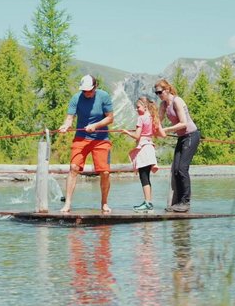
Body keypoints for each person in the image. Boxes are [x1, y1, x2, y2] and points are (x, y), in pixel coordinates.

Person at [58, 75, 114, 213]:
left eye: (89, 90)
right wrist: (65, 126)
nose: (86, 93)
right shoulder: (76, 98)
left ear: (95, 87)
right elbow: (70, 118)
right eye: (84, 91)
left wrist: (95, 125)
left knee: (105, 172)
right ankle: (68, 204)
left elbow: (110, 118)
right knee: (73, 167)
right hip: (81, 138)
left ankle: (104, 203)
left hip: (101, 139)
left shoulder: (104, 96)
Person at [155, 79, 200, 213]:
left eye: (160, 92)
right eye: (156, 93)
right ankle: (177, 202)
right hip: (182, 138)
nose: (158, 95)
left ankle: (185, 202)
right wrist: (149, 129)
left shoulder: (177, 101)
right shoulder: (163, 105)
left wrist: (166, 130)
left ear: (167, 90)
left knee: (182, 168)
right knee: (175, 170)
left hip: (191, 136)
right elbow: (158, 121)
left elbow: (183, 123)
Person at [122, 96, 166, 212]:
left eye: (138, 107)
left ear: (145, 107)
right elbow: (163, 134)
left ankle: (147, 203)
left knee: (144, 177)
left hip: (143, 149)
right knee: (146, 176)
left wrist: (126, 132)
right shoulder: (153, 118)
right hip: (150, 148)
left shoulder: (141, 118)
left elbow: (137, 136)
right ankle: (148, 202)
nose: (137, 110)